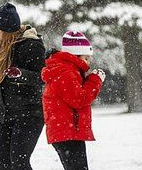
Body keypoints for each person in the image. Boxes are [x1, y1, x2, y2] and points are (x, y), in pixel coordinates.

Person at [0, 3, 46, 170]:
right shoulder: (3, 45)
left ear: (8, 30)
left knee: (19, 163)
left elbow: (43, 77)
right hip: (4, 115)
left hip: (29, 115)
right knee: (2, 163)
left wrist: (21, 74)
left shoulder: (32, 45)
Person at [41, 31, 105, 170]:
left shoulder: (67, 71)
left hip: (66, 131)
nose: (88, 62)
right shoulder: (67, 73)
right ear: (75, 56)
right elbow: (79, 99)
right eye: (86, 58)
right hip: (68, 132)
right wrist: (95, 80)